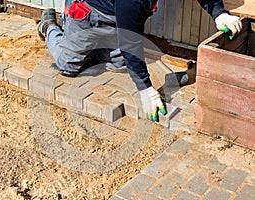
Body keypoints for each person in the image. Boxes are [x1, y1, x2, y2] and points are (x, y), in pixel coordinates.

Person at [37, 0, 242, 122]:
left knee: (120, 64)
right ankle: (50, 28)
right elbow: (130, 42)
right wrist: (145, 89)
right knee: (67, 65)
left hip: (116, 18)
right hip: (87, 13)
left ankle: (91, 47)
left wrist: (219, 13)